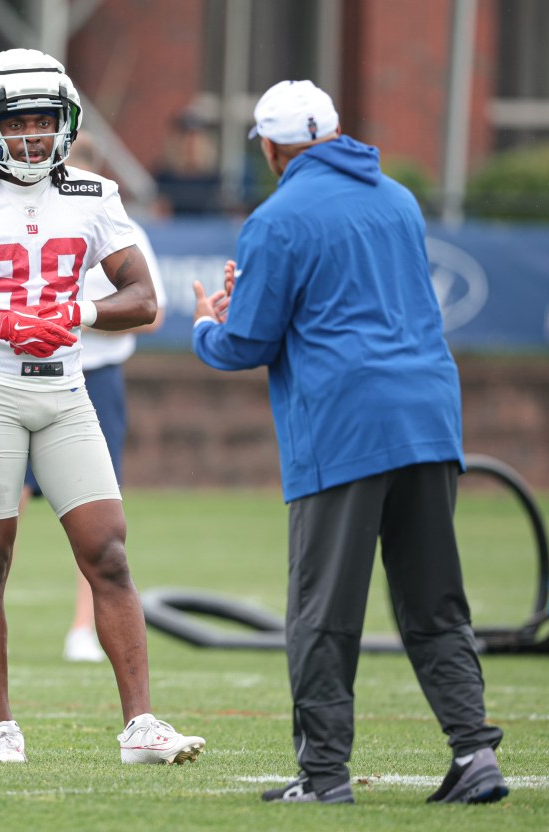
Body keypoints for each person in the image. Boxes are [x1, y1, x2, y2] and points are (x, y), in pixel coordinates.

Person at [191, 79, 507, 805]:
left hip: (344, 426)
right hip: (429, 416)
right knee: (435, 602)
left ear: (271, 147)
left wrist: (210, 323)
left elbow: (248, 343)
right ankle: (473, 755)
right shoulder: (399, 199)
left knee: (323, 611)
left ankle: (325, 776)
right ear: (333, 132)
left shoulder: (277, 219)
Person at [0, 47, 205, 765]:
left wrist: (80, 313)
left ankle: (141, 726)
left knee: (109, 552)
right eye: (20, 122)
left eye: (47, 121)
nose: (36, 136)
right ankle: (2, 726)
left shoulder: (95, 195)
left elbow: (143, 298)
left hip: (66, 391)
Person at [0, 134, 166, 665]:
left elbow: (149, 309)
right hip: (3, 380)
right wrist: (14, 326)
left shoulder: (107, 214)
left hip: (85, 379)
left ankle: (82, 628)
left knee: (98, 526)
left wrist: (75, 319)